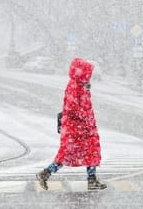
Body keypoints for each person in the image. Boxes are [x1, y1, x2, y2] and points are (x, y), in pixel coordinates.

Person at [37, 58, 107, 191]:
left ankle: (91, 180)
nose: (89, 76)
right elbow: (72, 108)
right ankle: (45, 173)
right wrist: (85, 118)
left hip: (84, 127)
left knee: (91, 151)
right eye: (87, 72)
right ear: (81, 72)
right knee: (68, 153)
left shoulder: (81, 85)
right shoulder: (74, 86)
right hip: (76, 128)